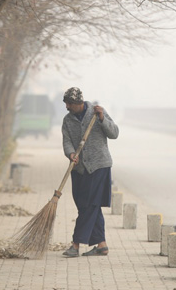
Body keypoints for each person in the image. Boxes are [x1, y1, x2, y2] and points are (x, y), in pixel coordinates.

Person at [60, 87, 119, 257]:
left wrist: (102, 119)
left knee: (90, 206)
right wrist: (71, 153)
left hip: (99, 166)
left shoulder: (96, 113)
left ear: (77, 103)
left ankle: (76, 245)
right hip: (78, 169)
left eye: (69, 104)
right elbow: (67, 142)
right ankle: (101, 245)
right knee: (85, 205)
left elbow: (114, 133)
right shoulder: (67, 120)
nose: (67, 107)